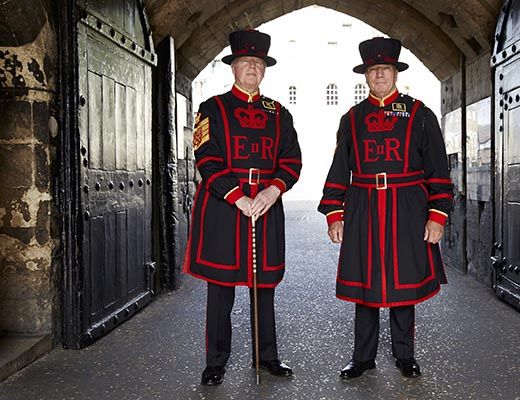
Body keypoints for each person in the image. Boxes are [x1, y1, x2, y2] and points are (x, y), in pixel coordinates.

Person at [318, 37, 453, 379]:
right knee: (366, 283)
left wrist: (437, 215)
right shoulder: (352, 118)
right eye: (373, 70)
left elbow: (438, 168)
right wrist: (335, 212)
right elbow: (339, 167)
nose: (379, 76)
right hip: (363, 204)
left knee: (402, 282)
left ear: (395, 73)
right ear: (366, 76)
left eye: (385, 70)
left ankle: (404, 355)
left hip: (408, 206)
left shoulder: (419, 114)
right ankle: (362, 357)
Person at [183, 29, 301, 386]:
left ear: (264, 69)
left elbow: (291, 161)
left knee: (263, 287)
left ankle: (267, 357)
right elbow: (206, 159)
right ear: (233, 67)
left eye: (258, 62)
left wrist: (273, 191)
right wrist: (238, 196)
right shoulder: (212, 109)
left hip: (265, 205)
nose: (252, 66)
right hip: (224, 207)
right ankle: (216, 361)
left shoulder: (279, 113)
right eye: (244, 61)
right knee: (221, 289)